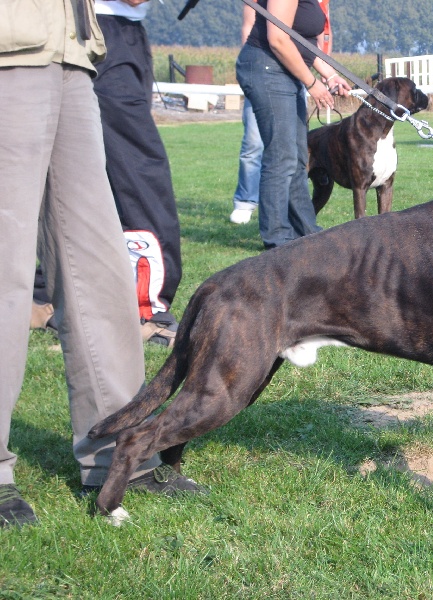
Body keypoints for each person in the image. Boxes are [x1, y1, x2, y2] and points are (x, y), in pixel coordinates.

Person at [0, 0, 203, 528]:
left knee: (101, 272)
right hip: (8, 47)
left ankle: (120, 456)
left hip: (73, 54)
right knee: (8, 271)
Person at [92, 0, 183, 345]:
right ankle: (148, 309)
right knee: (140, 173)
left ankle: (43, 291)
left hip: (119, 32)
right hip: (106, 33)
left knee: (97, 170)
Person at [236, 0, 350, 249]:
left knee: (298, 157)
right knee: (281, 157)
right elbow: (278, 39)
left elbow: (302, 42)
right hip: (267, 68)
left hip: (286, 72)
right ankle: (277, 239)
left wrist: (330, 75)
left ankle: (306, 231)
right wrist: (312, 83)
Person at [229, 5, 264, 225]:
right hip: (260, 71)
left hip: (294, 72)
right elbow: (248, 27)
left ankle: (287, 205)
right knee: (253, 143)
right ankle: (245, 202)